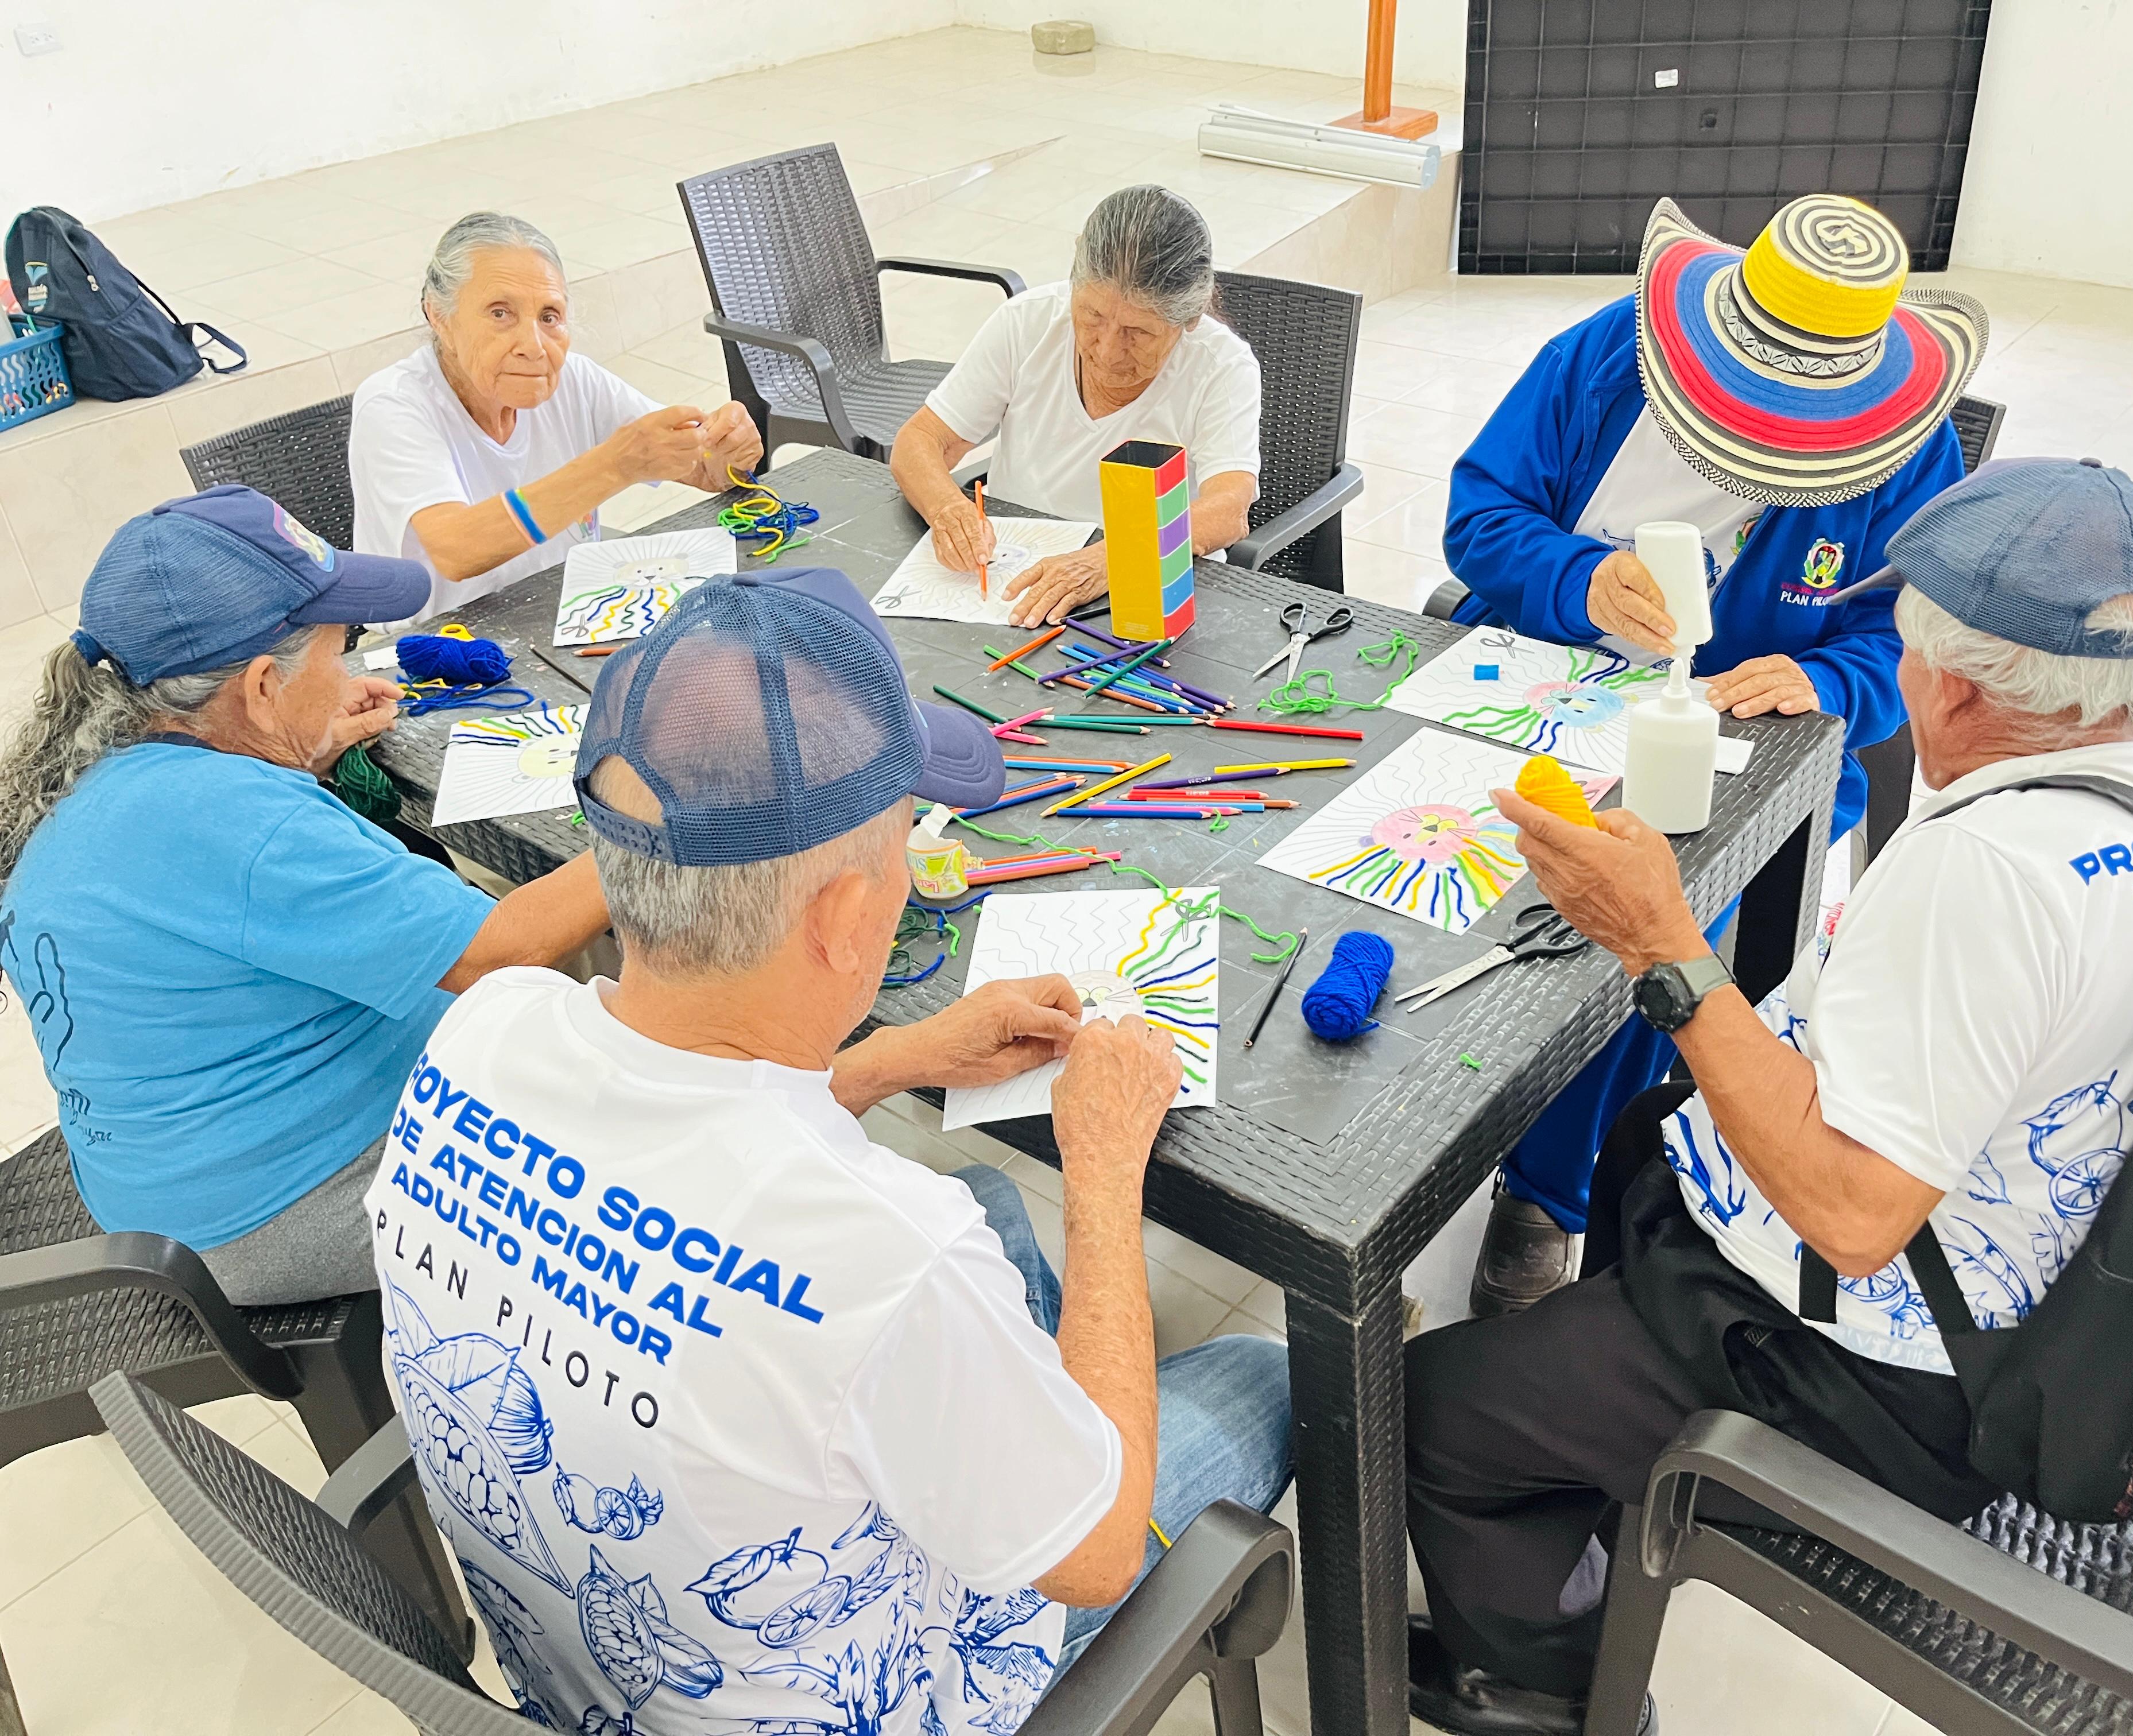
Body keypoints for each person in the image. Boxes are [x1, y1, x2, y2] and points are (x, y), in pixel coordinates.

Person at [366, 566, 1293, 1734]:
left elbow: (692, 1155)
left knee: (984, 1209)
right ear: (848, 917)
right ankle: (1061, 1438)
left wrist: (896, 1056)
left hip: (580, 1684)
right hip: (892, 1688)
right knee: (1262, 1375)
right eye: (904, 840)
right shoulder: (886, 1256)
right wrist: (1104, 1169)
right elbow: (1099, 1557)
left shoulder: (485, 1028)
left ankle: (1041, 1420)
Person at [1402, 458, 2133, 1736]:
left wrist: (1664, 947)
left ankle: (1540, 1691)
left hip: (1879, 1368)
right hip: (2028, 1295)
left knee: (1432, 1405)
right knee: (1642, 1139)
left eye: (1906, 647)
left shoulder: (1985, 874)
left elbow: (1851, 1215)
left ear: (1951, 683)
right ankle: (1596, 1471)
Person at [1446, 193, 1992, 1311]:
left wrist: (1826, 678)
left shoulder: (1906, 449)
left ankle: (1551, 1192)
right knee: (1424, 864)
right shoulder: (1603, 358)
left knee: (1658, 936)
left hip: (1757, 747)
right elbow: (1478, 515)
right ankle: (1439, 1114)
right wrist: (1577, 579)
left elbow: (1915, 636)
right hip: (1548, 692)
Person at [0, 487, 609, 1305]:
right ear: (261, 687)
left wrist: (298, 738)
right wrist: (664, 813)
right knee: (645, 1166)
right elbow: (506, 949)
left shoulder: (94, 768)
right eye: (339, 652)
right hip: (283, 1208)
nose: (350, 669)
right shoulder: (239, 822)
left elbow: (214, 878)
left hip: (162, 1188)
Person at [350, 211, 764, 623]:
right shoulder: (393, 404)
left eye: (549, 317)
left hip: (565, 616)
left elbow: (705, 471)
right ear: (440, 317)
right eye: (500, 314)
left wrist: (728, 449)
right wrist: (614, 465)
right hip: (436, 645)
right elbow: (456, 550)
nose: (533, 346)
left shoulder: (576, 380)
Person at [890, 185, 1262, 626]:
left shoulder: (1221, 367)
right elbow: (922, 440)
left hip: (1156, 590)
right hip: (1016, 576)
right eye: (1092, 317)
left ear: (1191, 317)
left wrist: (1112, 559)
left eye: (1138, 333)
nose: (1107, 351)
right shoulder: (1026, 323)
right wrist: (948, 510)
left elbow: (1229, 509)